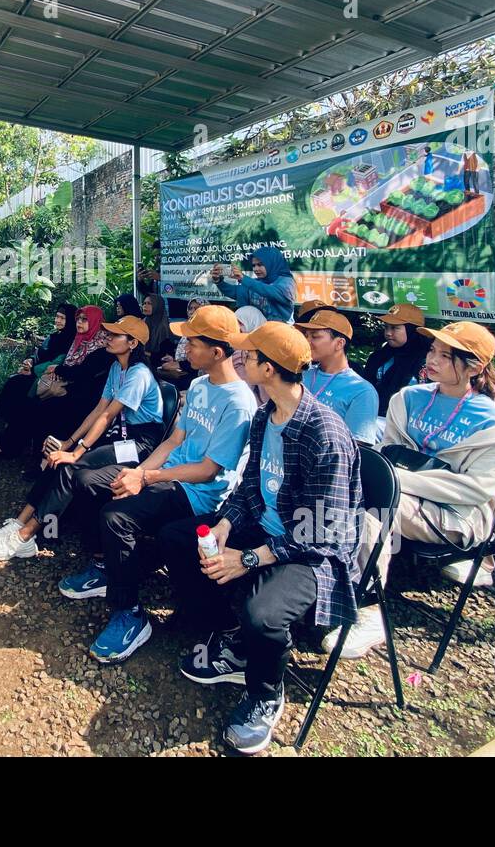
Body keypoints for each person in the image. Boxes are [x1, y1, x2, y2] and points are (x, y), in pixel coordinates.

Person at [161, 321, 362, 754]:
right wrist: (226, 524)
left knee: (264, 613)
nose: (241, 361)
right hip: (265, 528)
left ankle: (266, 694)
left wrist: (249, 558)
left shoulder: (323, 433)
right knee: (182, 539)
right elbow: (250, 485)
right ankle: (233, 638)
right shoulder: (263, 415)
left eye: (249, 357)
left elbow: (320, 530)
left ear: (269, 369)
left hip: (310, 553)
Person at [327, 321, 495, 658]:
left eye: (445, 355)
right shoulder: (409, 399)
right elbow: (389, 454)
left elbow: (474, 490)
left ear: (474, 367)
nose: (432, 359)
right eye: (432, 350)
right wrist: (394, 480)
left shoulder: (494, 424)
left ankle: (370, 611)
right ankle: (326, 584)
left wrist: (397, 482)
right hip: (406, 500)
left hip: (457, 517)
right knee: (353, 495)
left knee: (374, 507)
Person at [61, 305, 257, 662]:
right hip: (169, 477)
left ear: (216, 352)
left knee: (117, 516)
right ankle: (109, 568)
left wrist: (146, 477)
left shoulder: (240, 402)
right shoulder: (199, 385)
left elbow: (209, 471)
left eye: (193, 344)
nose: (185, 350)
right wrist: (136, 474)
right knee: (94, 484)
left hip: (199, 495)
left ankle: (130, 615)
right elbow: (172, 442)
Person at [0, 315, 164, 561]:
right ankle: (22, 521)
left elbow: (109, 415)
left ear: (132, 343)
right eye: (108, 334)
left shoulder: (138, 374)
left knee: (71, 465)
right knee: (59, 459)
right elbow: (99, 410)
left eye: (115, 335)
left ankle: (26, 535)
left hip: (140, 444)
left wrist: (77, 452)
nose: (108, 339)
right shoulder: (116, 367)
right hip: (120, 435)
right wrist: (68, 443)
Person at [0, 306, 114, 460]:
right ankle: (10, 448)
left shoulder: (101, 348)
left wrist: (58, 370)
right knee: (27, 403)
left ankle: (40, 460)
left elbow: (82, 373)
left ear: (95, 322)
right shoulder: (80, 340)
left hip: (83, 399)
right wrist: (57, 370)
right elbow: (67, 366)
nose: (79, 323)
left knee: (40, 409)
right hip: (68, 389)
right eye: (78, 319)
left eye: (85, 319)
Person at [0, 303, 77, 437]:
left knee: (18, 383)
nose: (58, 320)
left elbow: (57, 362)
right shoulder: (54, 336)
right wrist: (30, 360)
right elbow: (39, 353)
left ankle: (1, 414)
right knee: (14, 380)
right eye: (57, 317)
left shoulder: (70, 341)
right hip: (37, 371)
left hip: (47, 378)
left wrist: (32, 370)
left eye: (63, 318)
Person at [296, 309, 379, 445]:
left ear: (339, 343)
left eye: (315, 336)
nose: (307, 341)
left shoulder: (362, 391)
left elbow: (358, 447)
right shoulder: (300, 374)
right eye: (306, 336)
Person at [360, 302, 431, 419]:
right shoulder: (380, 355)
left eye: (395, 328)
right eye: (386, 327)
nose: (388, 333)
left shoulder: (426, 361)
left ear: (411, 330)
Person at [211, 246, 295, 323]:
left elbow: (272, 292)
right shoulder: (255, 282)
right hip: (258, 331)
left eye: (260, 265)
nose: (256, 269)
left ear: (272, 263)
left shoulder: (286, 282)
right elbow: (235, 292)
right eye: (254, 265)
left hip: (282, 331)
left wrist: (243, 279)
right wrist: (218, 281)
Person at [156, 298, 206, 391]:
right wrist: (175, 359)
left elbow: (203, 359)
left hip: (197, 379)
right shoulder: (188, 328)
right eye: (190, 308)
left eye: (197, 308)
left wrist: (179, 364)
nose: (192, 311)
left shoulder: (206, 332)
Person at [230, 305, 269, 405]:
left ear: (253, 322)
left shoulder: (268, 353)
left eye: (241, 323)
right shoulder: (235, 350)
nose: (237, 328)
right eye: (235, 323)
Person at [141, 293, 175, 372]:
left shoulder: (164, 327)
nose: (145, 306)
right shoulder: (143, 322)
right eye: (144, 303)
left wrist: (143, 352)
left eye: (149, 303)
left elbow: (163, 357)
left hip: (159, 368)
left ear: (157, 306)